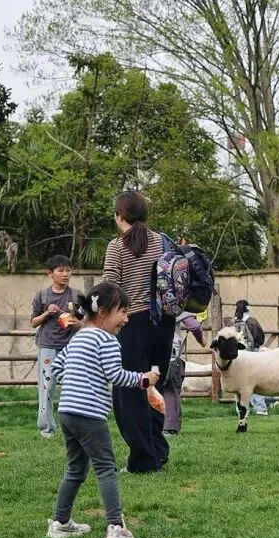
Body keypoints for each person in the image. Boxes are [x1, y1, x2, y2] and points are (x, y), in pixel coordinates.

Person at [45, 282, 159, 538]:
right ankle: (116, 527)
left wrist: (76, 382)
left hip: (68, 412)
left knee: (75, 469)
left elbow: (56, 367)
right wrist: (146, 379)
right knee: (107, 469)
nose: (126, 319)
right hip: (89, 416)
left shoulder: (79, 337)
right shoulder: (107, 340)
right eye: (123, 312)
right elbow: (116, 376)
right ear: (105, 312)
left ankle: (60, 523)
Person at [102, 190, 175, 473]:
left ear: (120, 216)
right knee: (153, 385)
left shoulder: (117, 247)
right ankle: (157, 450)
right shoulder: (162, 242)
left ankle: (144, 460)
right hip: (164, 324)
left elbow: (110, 288)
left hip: (132, 325)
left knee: (130, 390)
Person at [30, 255, 83, 438]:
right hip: (48, 347)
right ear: (50, 273)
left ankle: (75, 429)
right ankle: (46, 429)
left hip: (72, 348)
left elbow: (86, 321)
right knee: (46, 389)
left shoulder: (76, 295)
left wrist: (76, 323)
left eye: (68, 270)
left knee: (75, 389)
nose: (65, 274)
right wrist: (47, 313)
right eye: (60, 270)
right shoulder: (42, 296)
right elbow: (33, 322)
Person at [162, 312, 205, 435]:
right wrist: (202, 339)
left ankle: (153, 425)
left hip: (151, 356)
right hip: (171, 355)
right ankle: (170, 428)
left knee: (153, 388)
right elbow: (194, 326)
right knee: (171, 389)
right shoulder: (174, 305)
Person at [233, 300, 275, 416]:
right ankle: (261, 408)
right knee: (256, 382)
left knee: (241, 384)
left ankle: (241, 409)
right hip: (253, 355)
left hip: (239, 357)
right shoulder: (252, 322)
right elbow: (260, 339)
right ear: (248, 309)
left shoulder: (233, 323)